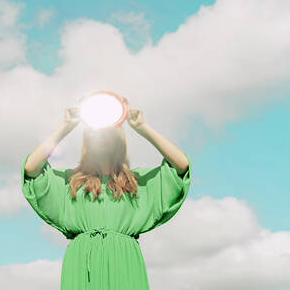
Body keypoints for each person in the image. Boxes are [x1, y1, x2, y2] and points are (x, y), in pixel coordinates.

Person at [21, 97, 192, 289]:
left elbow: (180, 165)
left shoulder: (136, 182)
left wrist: (143, 128)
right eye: (96, 136)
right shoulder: (71, 182)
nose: (102, 141)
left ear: (120, 141)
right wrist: (66, 126)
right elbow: (32, 168)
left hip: (124, 264)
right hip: (82, 263)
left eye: (109, 135)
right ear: (87, 142)